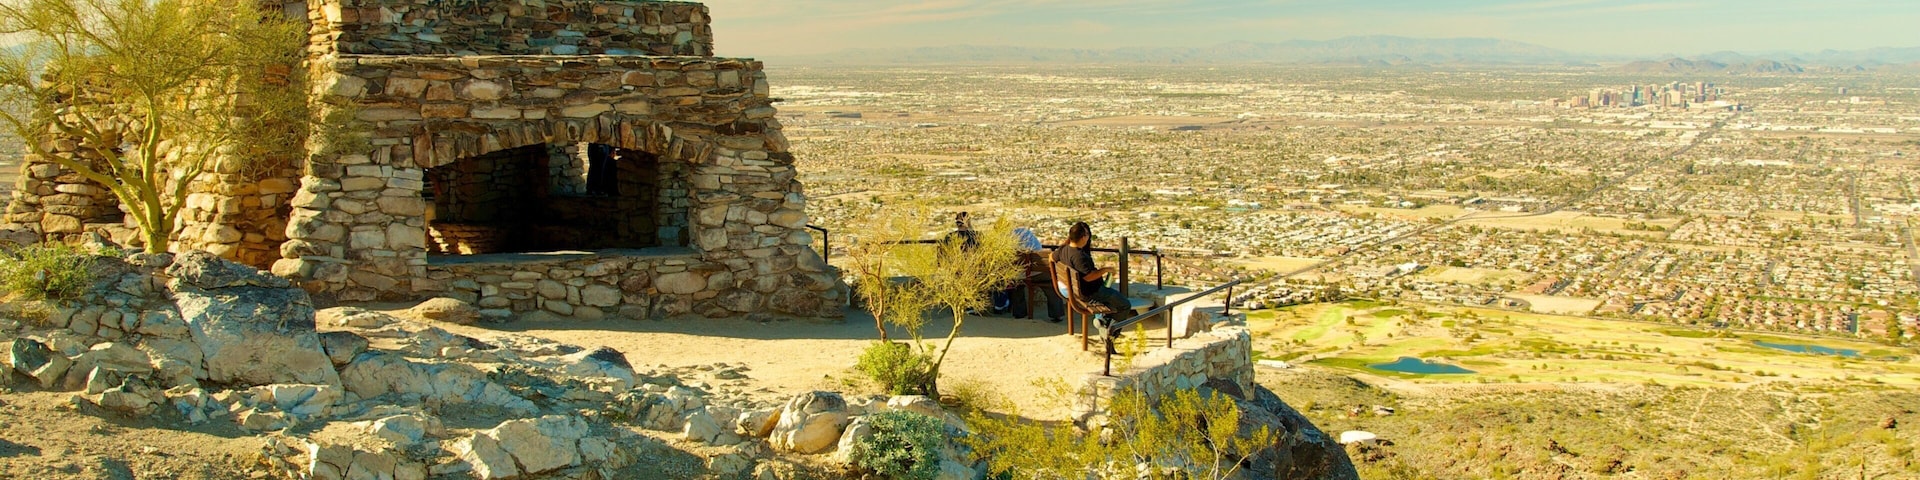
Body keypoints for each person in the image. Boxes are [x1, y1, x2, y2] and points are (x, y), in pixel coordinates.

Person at [1050, 222, 1134, 332]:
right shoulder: (1079, 256)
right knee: (1124, 304)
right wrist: (1104, 270)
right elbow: (1088, 277)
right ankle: (1109, 331)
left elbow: (1051, 257)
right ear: (1084, 237)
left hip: (1073, 290)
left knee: (1111, 299)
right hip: (1088, 293)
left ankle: (1101, 320)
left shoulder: (1064, 249)